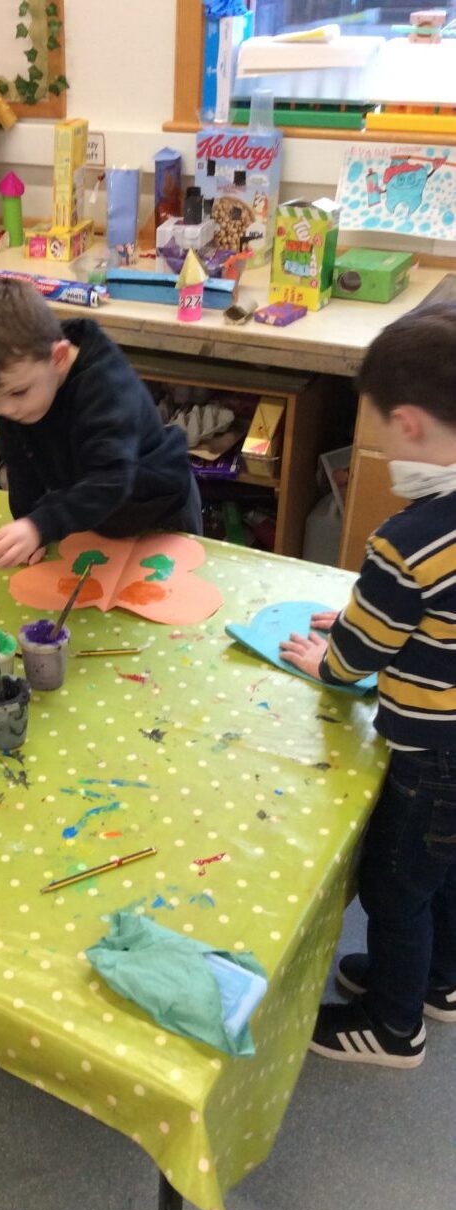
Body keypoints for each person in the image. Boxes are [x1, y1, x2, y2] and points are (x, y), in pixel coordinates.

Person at [280, 302, 456, 1069]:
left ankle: (392, 1028)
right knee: (443, 874)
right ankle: (438, 983)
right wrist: (381, 614)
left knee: (395, 889)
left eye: (383, 429)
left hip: (429, 755)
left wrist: (333, 657)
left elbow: (355, 656)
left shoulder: (407, 540)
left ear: (407, 424)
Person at [0, 277, 200, 568]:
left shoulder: (106, 386)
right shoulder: (16, 386)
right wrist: (28, 524)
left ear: (58, 357)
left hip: (158, 511)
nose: (6, 410)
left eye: (18, 393)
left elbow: (110, 479)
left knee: (164, 586)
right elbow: (22, 466)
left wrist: (40, 525)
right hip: (95, 512)